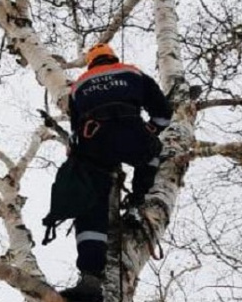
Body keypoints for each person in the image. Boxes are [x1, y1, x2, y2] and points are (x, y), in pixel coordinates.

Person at [58, 43, 173, 302]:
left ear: (90, 62)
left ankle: (90, 279)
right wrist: (150, 131)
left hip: (93, 143)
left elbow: (76, 130)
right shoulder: (132, 73)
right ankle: (137, 200)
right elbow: (164, 114)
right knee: (152, 154)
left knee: (91, 206)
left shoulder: (78, 85)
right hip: (130, 133)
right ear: (113, 56)